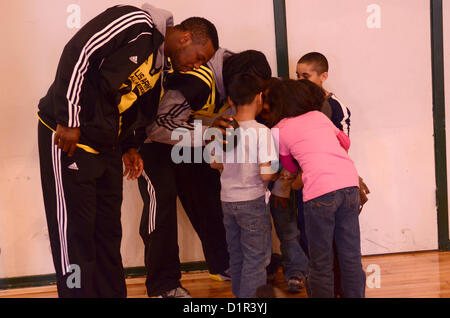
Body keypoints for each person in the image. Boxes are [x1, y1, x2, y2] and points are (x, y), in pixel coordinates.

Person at [37, 3, 218, 297]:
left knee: (108, 231)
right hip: (68, 136)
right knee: (75, 234)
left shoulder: (161, 67)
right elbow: (78, 52)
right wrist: (69, 118)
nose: (197, 65)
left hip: (107, 144)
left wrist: (130, 146)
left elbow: (134, 107)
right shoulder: (135, 22)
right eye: (199, 57)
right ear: (186, 38)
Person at [136, 49, 273, 298]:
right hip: (151, 142)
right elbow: (157, 128)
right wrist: (210, 132)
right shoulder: (197, 80)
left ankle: (222, 264)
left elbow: (215, 159)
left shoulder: (238, 82)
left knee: (207, 191)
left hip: (189, 141)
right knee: (162, 202)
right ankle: (163, 285)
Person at [268, 79, 366, 298]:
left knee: (321, 260)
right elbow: (345, 143)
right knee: (350, 255)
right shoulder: (320, 116)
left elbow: (290, 165)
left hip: (319, 192)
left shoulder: (278, 129)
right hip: (349, 185)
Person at [295, 52, 370, 297]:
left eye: (305, 75)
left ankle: (342, 290)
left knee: (343, 248)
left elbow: (343, 146)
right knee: (316, 245)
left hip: (333, 183)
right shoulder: (297, 104)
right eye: (297, 75)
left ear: (323, 76)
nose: (300, 80)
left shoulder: (336, 107)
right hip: (308, 183)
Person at [210, 73, 278, 298]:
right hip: (252, 202)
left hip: (227, 201)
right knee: (256, 259)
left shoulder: (223, 129)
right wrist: (280, 173)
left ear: (230, 100)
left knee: (237, 256)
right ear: (259, 97)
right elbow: (266, 173)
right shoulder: (261, 132)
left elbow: (214, 162)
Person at [258, 78, 309, 293]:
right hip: (256, 187)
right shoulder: (255, 125)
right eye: (263, 99)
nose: (266, 105)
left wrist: (281, 190)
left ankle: (296, 270)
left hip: (281, 185)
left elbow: (290, 165)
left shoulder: (286, 125)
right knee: (258, 231)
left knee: (287, 229)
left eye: (271, 100)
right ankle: (266, 267)